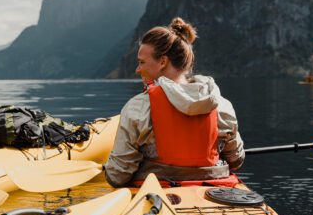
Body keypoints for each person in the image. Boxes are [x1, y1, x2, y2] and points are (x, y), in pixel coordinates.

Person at [104, 17, 244, 187]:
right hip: (213, 191)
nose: (137, 69)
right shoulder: (221, 105)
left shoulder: (137, 108)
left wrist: (107, 169)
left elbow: (118, 177)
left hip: (158, 198)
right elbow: (236, 160)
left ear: (162, 62)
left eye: (142, 62)